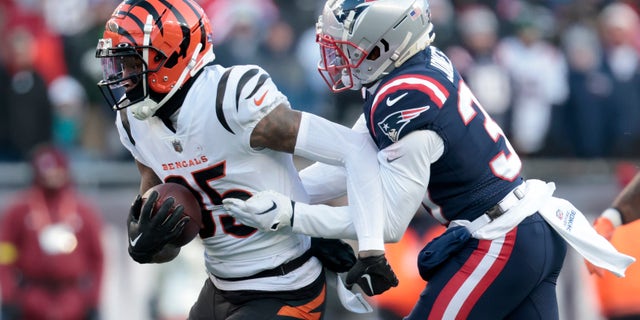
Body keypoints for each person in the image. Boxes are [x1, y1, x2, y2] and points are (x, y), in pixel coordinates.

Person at [223, 0, 635, 319]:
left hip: (499, 240)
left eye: (345, 47)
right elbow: (354, 158)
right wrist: (282, 192)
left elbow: (385, 224)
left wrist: (292, 215)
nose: (336, 58)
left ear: (382, 46)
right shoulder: (411, 67)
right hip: (526, 229)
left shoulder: (405, 99)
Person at [93, 0, 397, 319]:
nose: (124, 77)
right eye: (120, 65)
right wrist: (145, 242)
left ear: (173, 54)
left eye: (131, 63)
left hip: (285, 286)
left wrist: (370, 247)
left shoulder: (230, 99)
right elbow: (163, 238)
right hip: (220, 286)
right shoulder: (134, 122)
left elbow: (353, 148)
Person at [0, 144, 105, 320]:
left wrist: (93, 299)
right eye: (46, 171)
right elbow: (5, 253)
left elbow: (98, 258)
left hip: (73, 300)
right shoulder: (19, 209)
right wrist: (9, 294)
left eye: (56, 170)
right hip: (31, 299)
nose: (52, 176)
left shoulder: (83, 210)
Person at [586, 171, 640, 319]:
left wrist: (604, 307)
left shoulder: (607, 228)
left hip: (618, 306)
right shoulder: (608, 226)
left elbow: (599, 272)